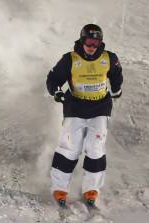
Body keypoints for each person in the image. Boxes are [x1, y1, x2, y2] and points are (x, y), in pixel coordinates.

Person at [46, 23, 123, 208]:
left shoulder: (109, 58)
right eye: (89, 41)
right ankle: (59, 188)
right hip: (75, 107)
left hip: (100, 107)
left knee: (95, 147)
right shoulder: (70, 59)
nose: (91, 46)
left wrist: (116, 88)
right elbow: (53, 79)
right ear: (82, 40)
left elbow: (116, 74)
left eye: (95, 42)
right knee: (70, 147)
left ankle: (92, 189)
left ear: (100, 43)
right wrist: (56, 91)